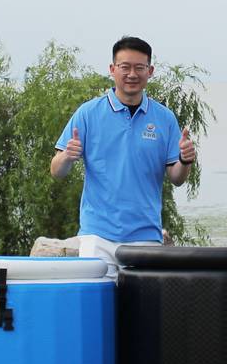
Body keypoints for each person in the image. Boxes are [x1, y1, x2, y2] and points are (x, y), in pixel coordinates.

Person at [49, 36, 197, 263]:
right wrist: (67, 156)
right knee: (98, 299)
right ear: (112, 69)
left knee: (142, 300)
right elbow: (57, 171)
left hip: (146, 235)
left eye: (140, 67)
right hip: (97, 236)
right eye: (125, 67)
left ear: (150, 71)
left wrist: (185, 161)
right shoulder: (88, 113)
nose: (132, 74)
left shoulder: (164, 118)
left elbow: (176, 178)